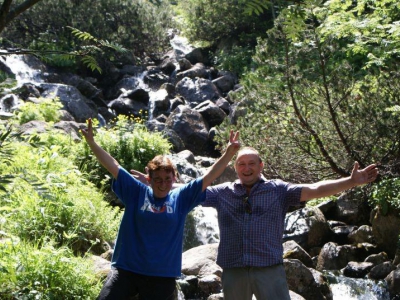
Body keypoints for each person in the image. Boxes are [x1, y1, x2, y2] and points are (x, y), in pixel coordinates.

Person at [131, 146, 379, 300]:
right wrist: (157, 184)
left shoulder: (279, 190)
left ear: (261, 166)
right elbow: (188, 192)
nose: (246, 168)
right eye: (241, 164)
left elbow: (315, 189)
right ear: (235, 168)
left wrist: (351, 181)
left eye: (251, 163)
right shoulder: (222, 192)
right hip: (234, 271)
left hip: (269, 269)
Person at [80, 118, 240, 300]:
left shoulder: (181, 197)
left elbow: (209, 174)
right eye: (157, 179)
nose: (162, 184)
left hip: (162, 275)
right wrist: (92, 143)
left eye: (167, 179)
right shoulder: (137, 192)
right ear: (149, 179)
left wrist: (229, 153)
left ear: (174, 179)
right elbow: (113, 166)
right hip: (127, 270)